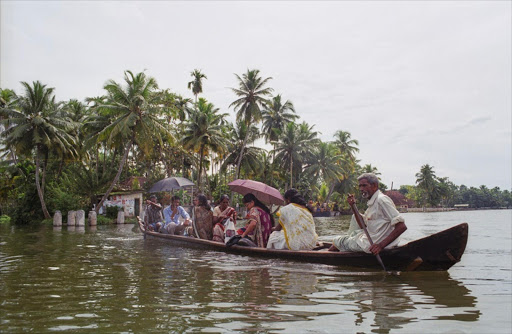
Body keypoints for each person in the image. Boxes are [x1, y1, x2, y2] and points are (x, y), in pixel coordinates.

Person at [329, 173, 407, 255]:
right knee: (354, 218)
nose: (361, 189)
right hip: (371, 239)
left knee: (337, 240)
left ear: (374, 186)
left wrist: (380, 246)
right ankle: (347, 244)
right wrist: (353, 206)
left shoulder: (381, 200)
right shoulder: (373, 202)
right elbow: (363, 226)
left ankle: (326, 259)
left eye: (364, 185)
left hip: (371, 245)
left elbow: (402, 227)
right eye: (360, 186)